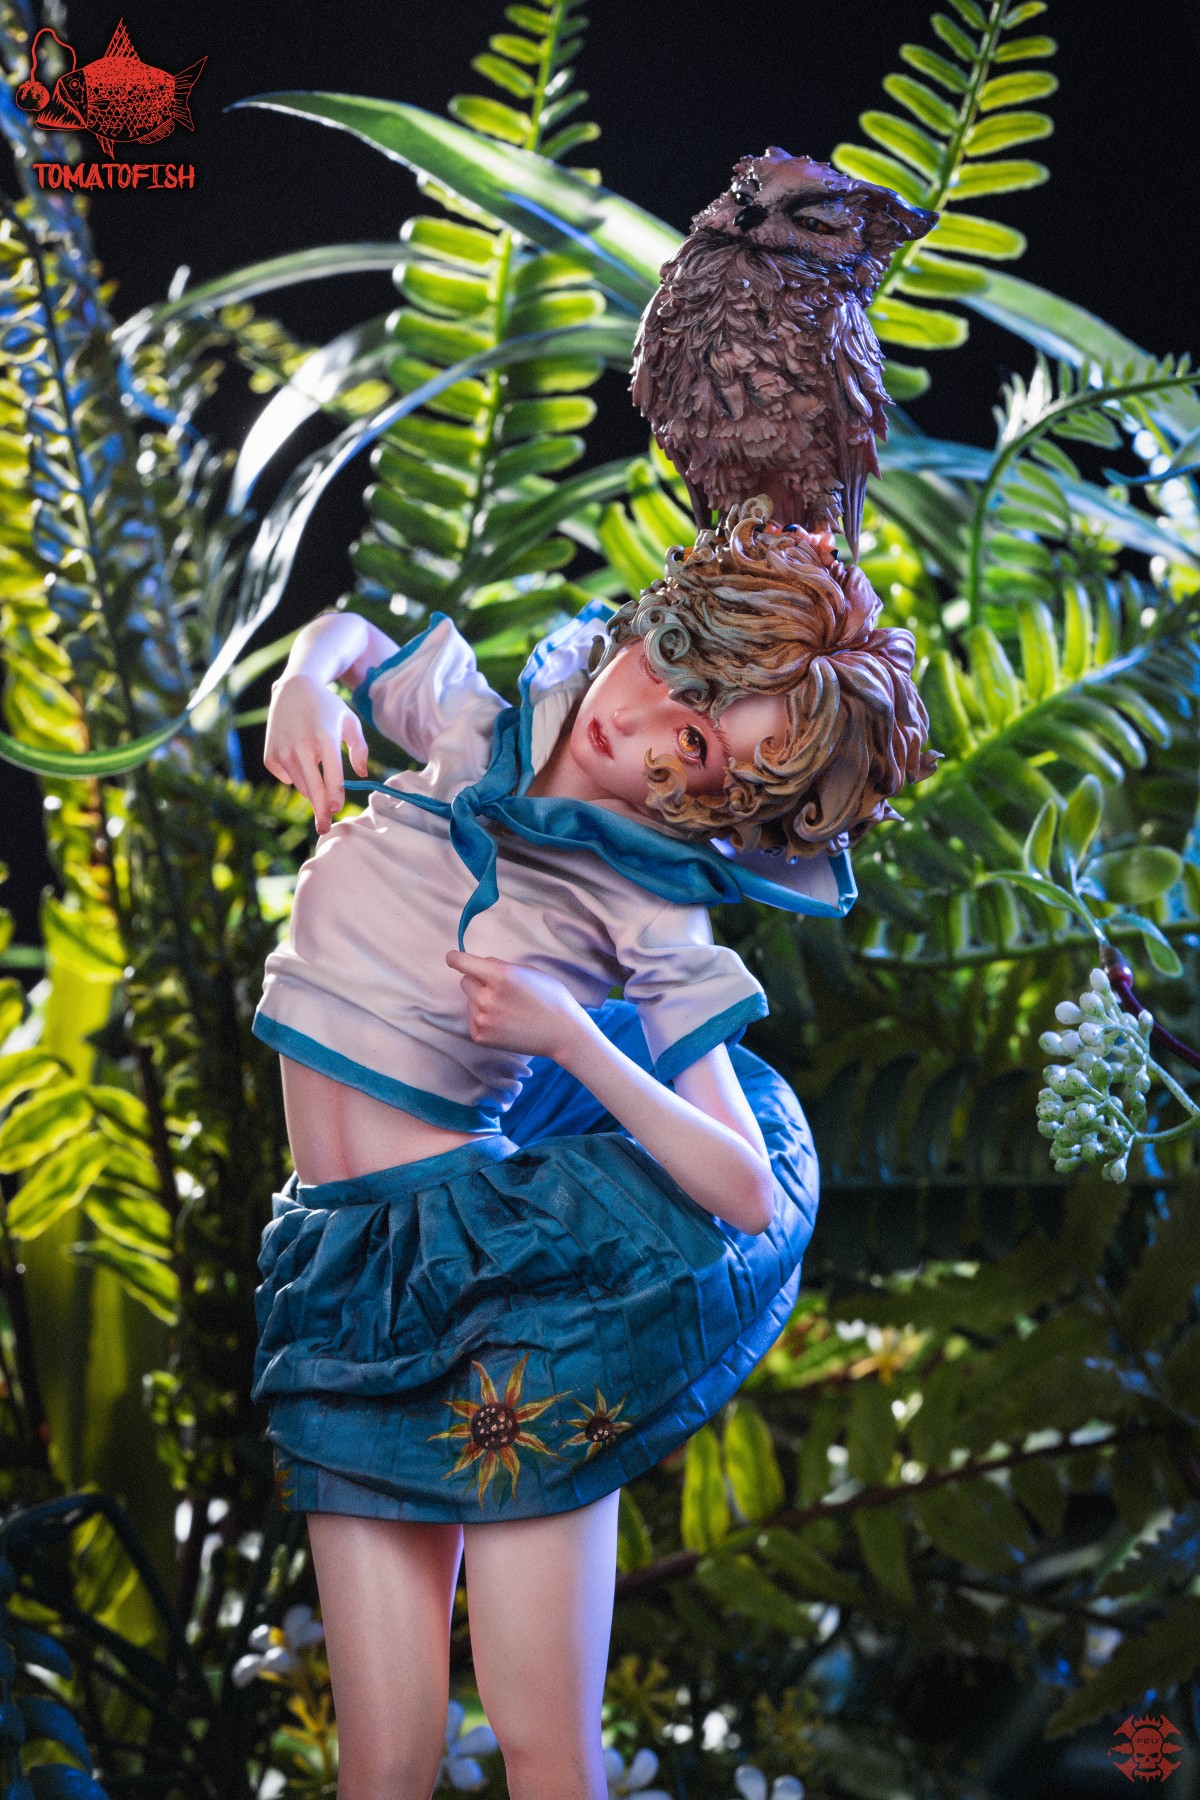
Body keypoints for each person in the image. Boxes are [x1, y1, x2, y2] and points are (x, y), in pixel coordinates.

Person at [251, 499, 935, 1800]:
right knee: (381, 1763)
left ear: (727, 802)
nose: (647, 713)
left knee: (546, 1753)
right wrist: (304, 679)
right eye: (678, 667)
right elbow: (350, 636)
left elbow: (743, 1185)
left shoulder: (646, 907)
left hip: (505, 1299)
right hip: (336, 1270)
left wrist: (574, 1039)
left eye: (697, 743)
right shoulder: (473, 730)